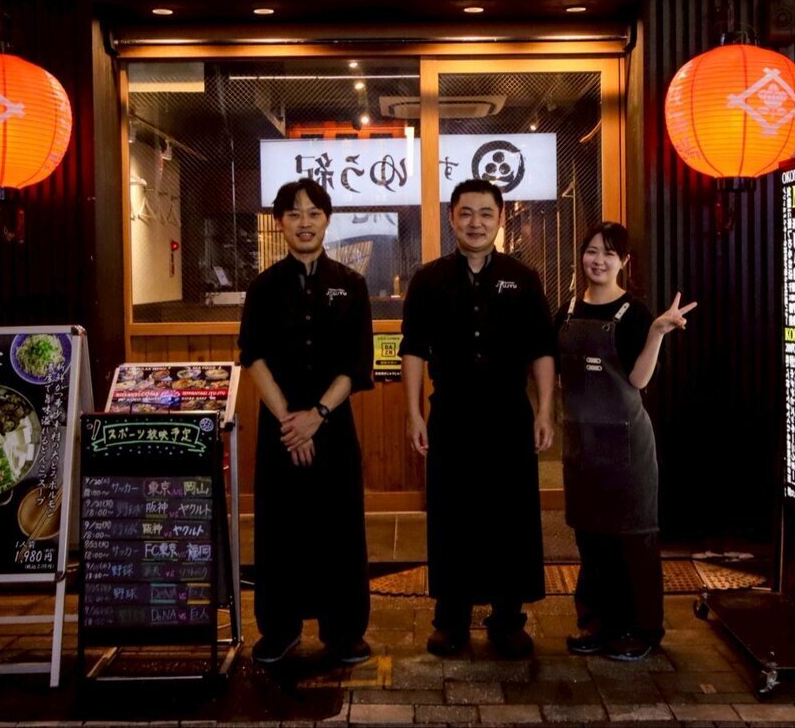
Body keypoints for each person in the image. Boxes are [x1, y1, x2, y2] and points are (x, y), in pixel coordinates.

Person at [400, 179, 556, 659]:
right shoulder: (428, 280)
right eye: (466, 213)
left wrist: (545, 410)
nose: (476, 223)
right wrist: (414, 412)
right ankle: (450, 618)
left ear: (500, 218)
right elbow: (413, 349)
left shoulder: (523, 278)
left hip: (509, 414)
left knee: (510, 515)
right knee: (452, 515)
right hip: (451, 413)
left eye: (486, 213)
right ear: (452, 218)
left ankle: (508, 619)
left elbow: (542, 349)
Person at [239, 178, 374, 666]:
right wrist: (289, 422)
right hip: (280, 429)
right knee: (280, 530)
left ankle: (344, 631)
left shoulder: (351, 284)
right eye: (294, 214)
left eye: (313, 213)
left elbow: (356, 365)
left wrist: (316, 417)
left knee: (340, 528)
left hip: (332, 427)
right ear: (279, 222)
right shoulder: (263, 287)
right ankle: (280, 629)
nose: (304, 222)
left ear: (327, 220)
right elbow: (253, 357)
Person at [555, 222, 696, 661]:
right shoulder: (566, 310)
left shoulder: (634, 313)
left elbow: (638, 380)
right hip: (582, 444)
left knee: (633, 539)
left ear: (624, 262)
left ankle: (642, 629)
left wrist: (656, 333)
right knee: (591, 537)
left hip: (627, 445)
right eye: (592, 251)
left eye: (609, 254)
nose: (598, 260)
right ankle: (595, 623)